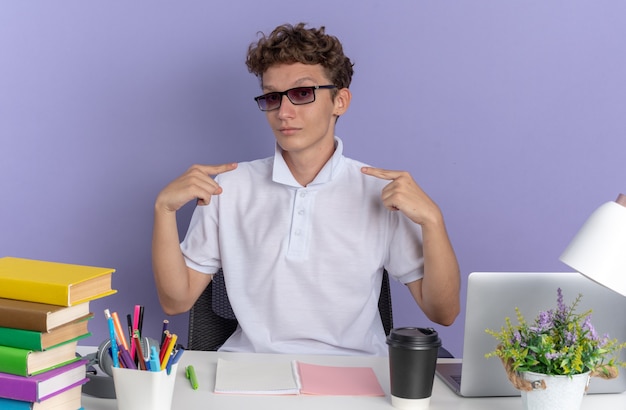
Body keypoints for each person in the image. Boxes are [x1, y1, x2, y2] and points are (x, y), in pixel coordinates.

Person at [152, 23, 460, 356]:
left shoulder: (382, 192)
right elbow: (176, 301)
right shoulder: (227, 188)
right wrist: (164, 211)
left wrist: (433, 220)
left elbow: (443, 313)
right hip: (249, 372)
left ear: (339, 101)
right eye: (272, 97)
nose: (284, 113)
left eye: (302, 94)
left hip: (356, 374)